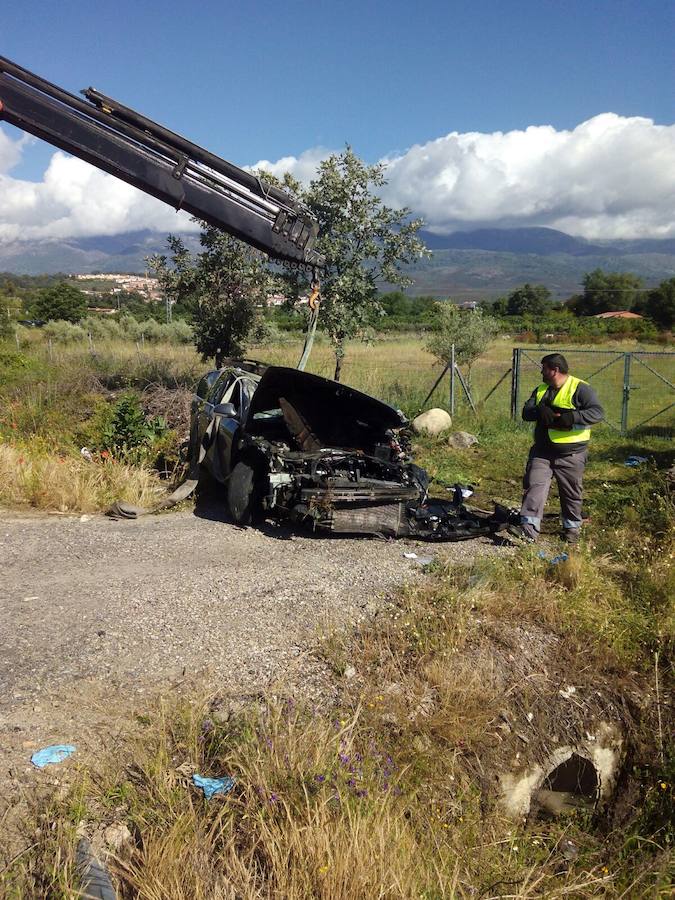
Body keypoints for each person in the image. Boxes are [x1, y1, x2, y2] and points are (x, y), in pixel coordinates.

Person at [515, 353, 604, 544]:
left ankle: (571, 530)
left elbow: (597, 412)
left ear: (554, 370)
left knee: (571, 493)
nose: (541, 371)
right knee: (533, 487)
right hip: (542, 452)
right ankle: (528, 532)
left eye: (544, 368)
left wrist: (572, 418)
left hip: (572, 454)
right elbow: (526, 412)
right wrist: (539, 410)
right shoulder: (540, 390)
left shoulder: (580, 389)